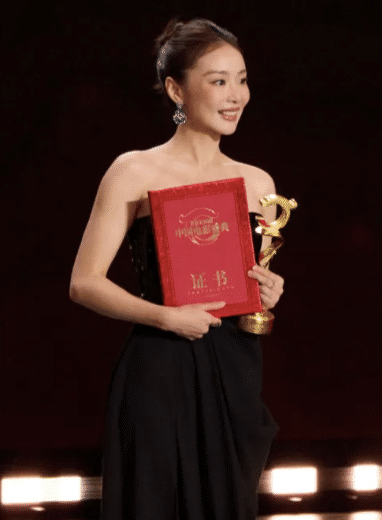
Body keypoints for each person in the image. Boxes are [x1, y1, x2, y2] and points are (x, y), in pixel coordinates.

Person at [70, 18, 282, 520]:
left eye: (242, 79)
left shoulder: (258, 183)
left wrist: (268, 290)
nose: (236, 96)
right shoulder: (134, 170)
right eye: (218, 81)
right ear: (175, 90)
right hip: (160, 368)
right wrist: (166, 316)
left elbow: (251, 284)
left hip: (233, 371)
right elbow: (84, 283)